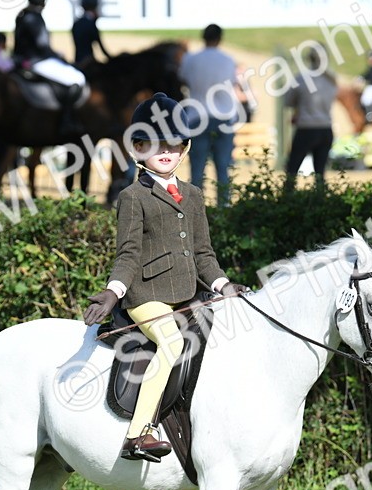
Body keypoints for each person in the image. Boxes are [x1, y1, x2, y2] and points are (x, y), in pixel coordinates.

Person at [82, 92, 248, 462]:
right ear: (138, 149)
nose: (166, 151)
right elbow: (127, 255)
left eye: (174, 145)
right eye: (154, 144)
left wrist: (223, 285)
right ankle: (138, 434)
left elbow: (203, 253)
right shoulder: (131, 197)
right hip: (146, 295)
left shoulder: (192, 195)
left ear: (185, 149)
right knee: (171, 344)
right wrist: (112, 292)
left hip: (187, 293)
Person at [13, 0, 87, 138]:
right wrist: (58, 56)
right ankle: (67, 119)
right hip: (36, 61)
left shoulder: (22, 14)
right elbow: (42, 45)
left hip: (20, 59)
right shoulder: (35, 18)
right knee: (77, 78)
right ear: (43, 1)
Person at [180, 23, 239, 205]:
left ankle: (195, 208)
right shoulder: (228, 60)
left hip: (197, 116)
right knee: (223, 167)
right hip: (223, 118)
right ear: (220, 38)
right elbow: (233, 83)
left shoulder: (190, 59)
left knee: (197, 169)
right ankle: (224, 207)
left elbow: (183, 80)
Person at [282, 48, 337, 192]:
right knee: (320, 173)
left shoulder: (301, 79)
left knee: (292, 170)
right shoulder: (331, 80)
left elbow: (287, 101)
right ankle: (320, 201)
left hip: (306, 128)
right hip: (326, 128)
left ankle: (287, 200)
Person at [71, 0, 110, 68]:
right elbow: (100, 46)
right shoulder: (91, 24)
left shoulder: (76, 24)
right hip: (89, 64)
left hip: (77, 62)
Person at [357, 49, 372, 124]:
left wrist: (361, 78)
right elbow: (366, 74)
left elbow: (368, 75)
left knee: (366, 99)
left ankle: (370, 115)